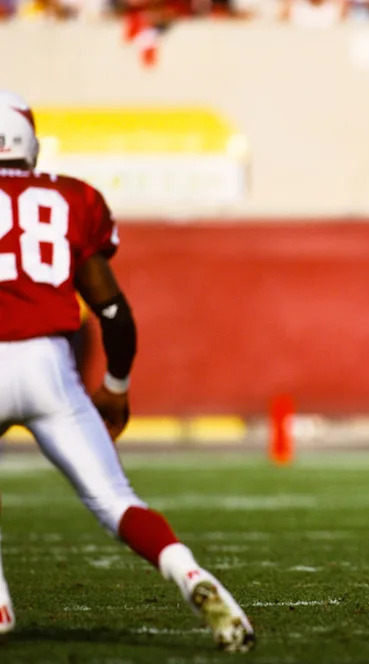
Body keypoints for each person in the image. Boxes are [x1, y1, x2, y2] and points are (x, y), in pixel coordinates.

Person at [0, 91, 255, 650]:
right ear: (29, 143)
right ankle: (190, 572)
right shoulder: (70, 197)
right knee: (116, 501)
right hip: (48, 363)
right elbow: (113, 310)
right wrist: (115, 386)